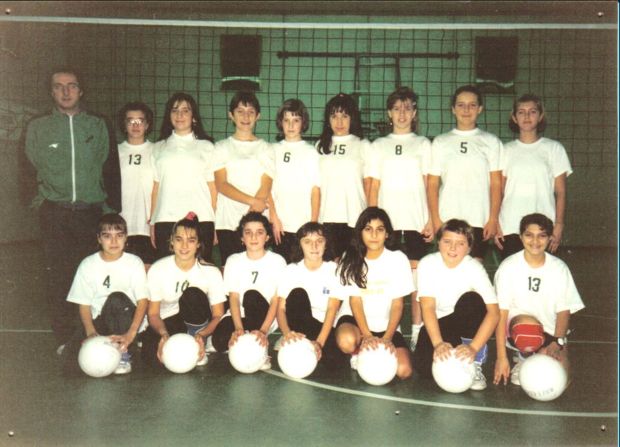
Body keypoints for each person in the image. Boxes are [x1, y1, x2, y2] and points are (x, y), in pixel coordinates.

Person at [24, 68, 120, 353]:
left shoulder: (98, 125)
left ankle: (92, 333)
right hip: (55, 214)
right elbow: (26, 167)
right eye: (59, 86)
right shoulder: (38, 127)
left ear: (81, 90)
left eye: (72, 85)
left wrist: (109, 209)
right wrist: (39, 202)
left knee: (91, 276)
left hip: (90, 214)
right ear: (51, 91)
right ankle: (65, 339)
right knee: (59, 278)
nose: (66, 92)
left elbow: (110, 167)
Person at [368, 87, 433, 351]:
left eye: (407, 108)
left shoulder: (423, 144)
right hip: (388, 227)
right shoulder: (378, 146)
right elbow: (373, 186)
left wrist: (431, 219)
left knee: (417, 283)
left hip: (416, 223)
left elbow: (429, 184)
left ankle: (417, 330)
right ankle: (386, 329)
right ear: (389, 113)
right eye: (397, 109)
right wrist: (371, 222)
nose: (402, 114)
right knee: (385, 281)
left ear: (414, 113)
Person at [493, 213, 584, 386]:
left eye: (542, 236)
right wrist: (501, 357)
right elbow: (501, 314)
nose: (535, 241)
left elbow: (564, 311)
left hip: (550, 331)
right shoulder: (508, 268)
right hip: (520, 329)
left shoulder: (559, 268)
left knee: (560, 380)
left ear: (550, 238)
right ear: (520, 237)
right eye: (529, 235)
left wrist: (557, 341)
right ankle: (523, 355)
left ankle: (536, 354)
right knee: (529, 331)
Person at [412, 219, 499, 390]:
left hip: (464, 323)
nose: (453, 248)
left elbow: (494, 313)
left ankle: (475, 362)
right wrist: (438, 343)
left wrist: (473, 348)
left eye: (460, 243)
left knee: (472, 300)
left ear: (469, 248)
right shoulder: (427, 264)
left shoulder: (474, 268)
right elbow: (428, 307)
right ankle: (454, 350)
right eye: (447, 242)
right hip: (439, 324)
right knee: (424, 368)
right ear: (438, 243)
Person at [63, 214, 148, 375]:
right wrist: (90, 332)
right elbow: (84, 303)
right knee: (70, 358)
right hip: (100, 319)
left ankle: (123, 351)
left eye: (119, 235)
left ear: (126, 238)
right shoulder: (88, 264)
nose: (114, 241)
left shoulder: (134, 262)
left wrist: (131, 333)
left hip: (126, 319)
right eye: (107, 236)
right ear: (99, 239)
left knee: (116, 299)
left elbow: (143, 301)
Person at [334, 207, 413, 380]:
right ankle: (357, 352)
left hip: (386, 324)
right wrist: (367, 336)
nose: (374, 235)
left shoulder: (398, 259)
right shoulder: (351, 257)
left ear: (387, 234)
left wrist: (387, 337)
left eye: (380, 229)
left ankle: (371, 350)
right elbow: (355, 301)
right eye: (368, 229)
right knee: (347, 342)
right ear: (360, 233)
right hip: (355, 320)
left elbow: (398, 304)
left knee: (403, 370)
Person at [427, 85, 503, 261]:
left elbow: (496, 183)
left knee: (473, 270)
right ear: (453, 109)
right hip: (447, 218)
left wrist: (493, 219)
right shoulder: (440, 142)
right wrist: (436, 219)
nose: (466, 110)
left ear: (480, 109)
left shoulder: (491, 142)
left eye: (472, 105)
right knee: (448, 269)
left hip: (479, 219)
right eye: (461, 105)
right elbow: (432, 183)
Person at [143, 213, 226, 367]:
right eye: (179, 239)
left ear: (199, 244)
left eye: (191, 240)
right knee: (152, 356)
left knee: (192, 294)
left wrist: (202, 334)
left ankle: (198, 342)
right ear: (171, 241)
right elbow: (153, 313)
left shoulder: (211, 272)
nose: (184, 246)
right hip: (168, 321)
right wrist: (163, 334)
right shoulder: (158, 269)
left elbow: (218, 315)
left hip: (197, 321)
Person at [495, 94, 573, 258]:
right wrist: (496, 222)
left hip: (543, 226)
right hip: (510, 226)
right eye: (521, 112)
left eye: (532, 111)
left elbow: (561, 192)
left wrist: (559, 224)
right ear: (514, 118)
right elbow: (499, 191)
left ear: (540, 116)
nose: (527, 116)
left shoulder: (554, 149)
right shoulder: (505, 150)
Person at [211, 212, 286, 370]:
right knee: (219, 342)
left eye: (259, 232)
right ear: (241, 237)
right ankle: (246, 337)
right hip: (240, 315)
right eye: (248, 232)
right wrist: (238, 328)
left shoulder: (277, 261)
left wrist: (263, 330)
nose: (253, 237)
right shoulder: (233, 260)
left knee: (251, 296)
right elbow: (234, 298)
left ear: (267, 237)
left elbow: (276, 300)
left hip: (264, 315)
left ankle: (260, 348)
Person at [150, 92, 217, 262]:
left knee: (200, 272)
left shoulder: (207, 147)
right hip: (165, 219)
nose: (179, 115)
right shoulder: (158, 148)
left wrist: (215, 223)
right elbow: (156, 188)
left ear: (193, 117)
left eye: (185, 110)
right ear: (169, 116)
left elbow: (213, 189)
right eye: (175, 110)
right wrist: (152, 223)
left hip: (201, 219)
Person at [213, 92, 274, 265]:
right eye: (240, 111)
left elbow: (266, 185)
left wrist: (250, 217)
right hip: (228, 221)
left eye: (251, 112)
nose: (245, 117)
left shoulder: (266, 148)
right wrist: (253, 203)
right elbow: (221, 184)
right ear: (231, 115)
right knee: (230, 269)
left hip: (257, 222)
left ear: (258, 116)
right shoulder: (221, 147)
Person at [275, 222, 346, 369]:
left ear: (326, 244)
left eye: (319, 241)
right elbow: (280, 309)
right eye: (307, 241)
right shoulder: (291, 270)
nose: (314, 246)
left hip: (323, 328)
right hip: (298, 324)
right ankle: (295, 340)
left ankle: (307, 344)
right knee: (298, 294)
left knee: (336, 362)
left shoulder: (333, 269)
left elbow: (332, 309)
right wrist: (287, 333)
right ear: (300, 245)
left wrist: (319, 343)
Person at [316, 93, 372, 259]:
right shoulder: (320, 146)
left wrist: (369, 218)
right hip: (327, 217)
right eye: (334, 116)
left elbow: (369, 184)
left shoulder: (363, 145)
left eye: (344, 116)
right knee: (329, 268)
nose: (339, 122)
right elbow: (316, 186)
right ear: (328, 120)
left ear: (352, 118)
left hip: (354, 216)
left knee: (353, 267)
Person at [269, 99, 320, 263]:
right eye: (286, 120)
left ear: (303, 123)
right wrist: (273, 218)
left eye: (296, 120)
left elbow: (315, 190)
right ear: (280, 122)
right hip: (280, 226)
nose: (291, 125)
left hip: (302, 225)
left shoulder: (311, 152)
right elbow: (267, 188)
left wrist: (313, 225)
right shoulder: (272, 150)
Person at [117, 101, 156, 267]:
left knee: (147, 271)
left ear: (147, 125)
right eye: (130, 120)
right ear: (124, 125)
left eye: (140, 120)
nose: (135, 125)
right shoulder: (115, 151)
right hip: (122, 223)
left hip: (148, 226)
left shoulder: (157, 150)